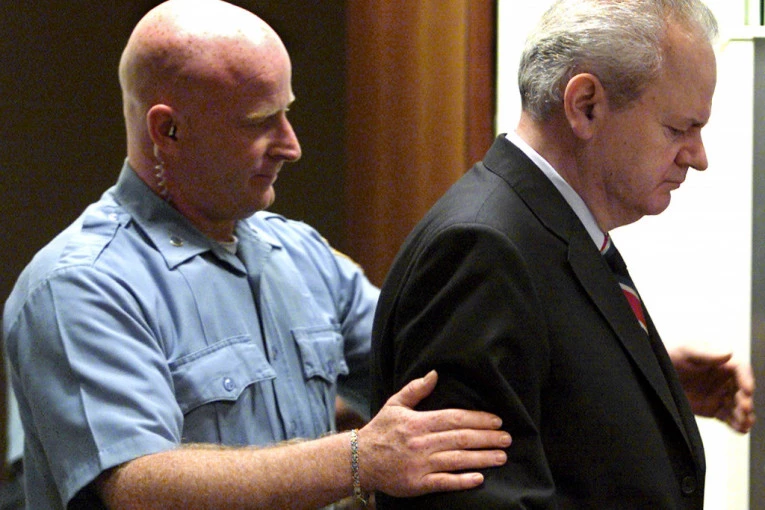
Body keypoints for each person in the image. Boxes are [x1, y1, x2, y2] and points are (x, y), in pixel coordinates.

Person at [1, 1, 513, 508]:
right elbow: (138, 486)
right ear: (167, 131)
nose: (291, 146)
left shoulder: (301, 255)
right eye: (259, 122)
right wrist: (359, 459)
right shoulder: (81, 284)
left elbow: (431, 359)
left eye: (286, 112)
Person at [371, 0, 755, 508]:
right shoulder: (483, 249)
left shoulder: (550, 225)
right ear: (586, 105)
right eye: (679, 129)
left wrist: (645, 383)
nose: (698, 157)